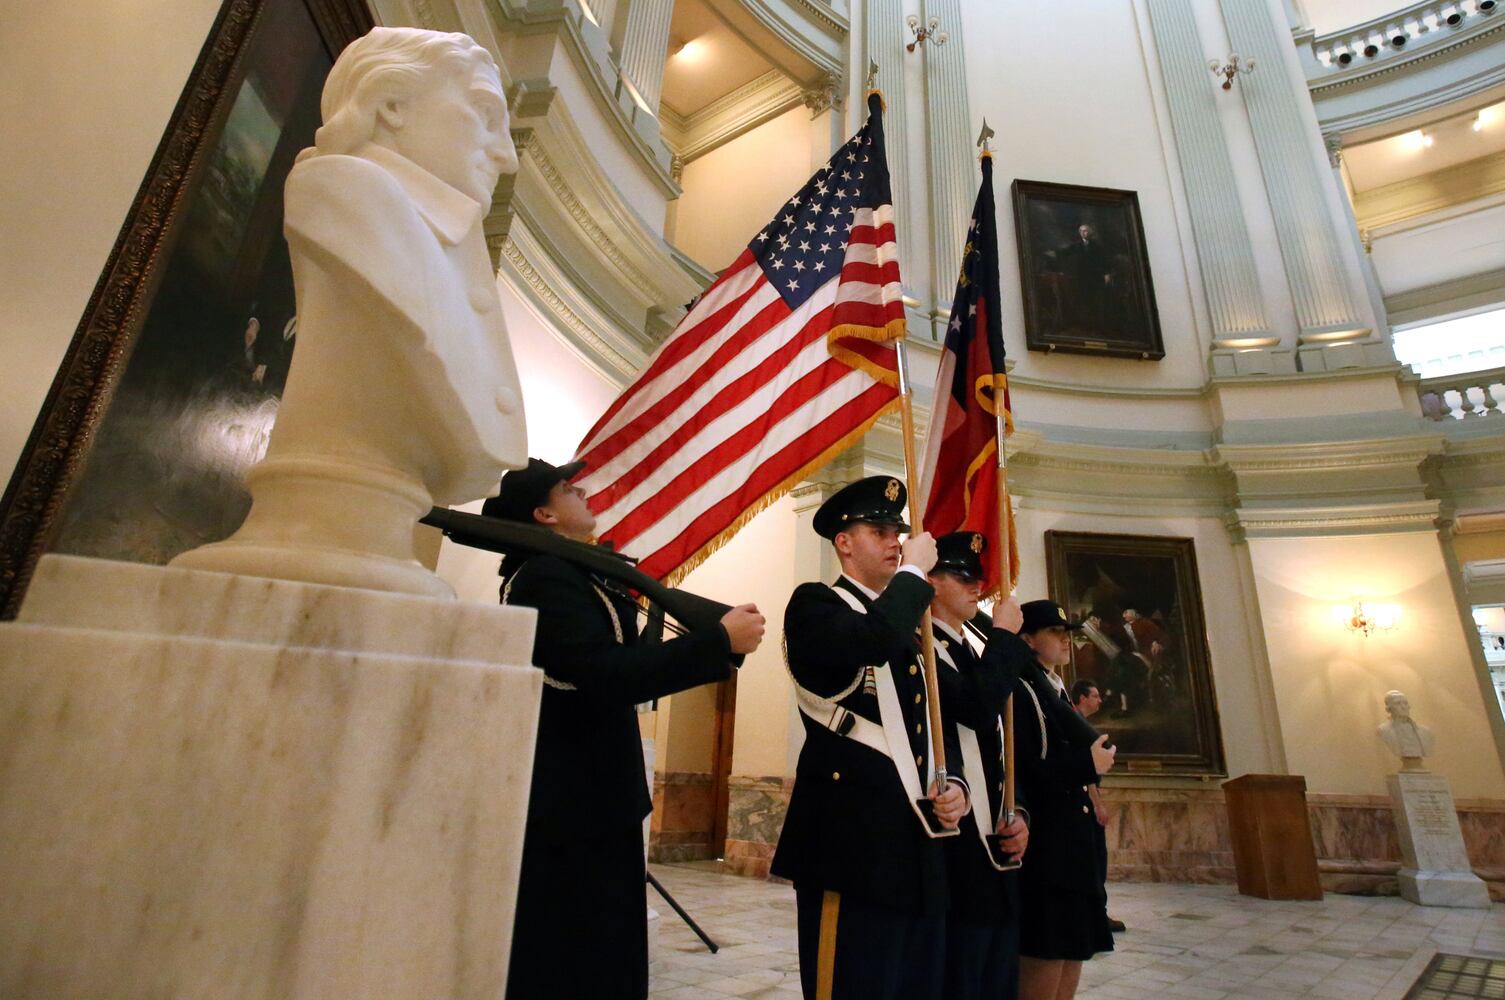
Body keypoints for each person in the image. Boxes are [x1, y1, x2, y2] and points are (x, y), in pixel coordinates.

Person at [492, 457, 766, 999]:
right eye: (570, 489)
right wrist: (715, 642)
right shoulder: (546, 577)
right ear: (544, 514)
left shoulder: (570, 572)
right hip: (573, 803)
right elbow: (602, 674)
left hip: (590, 800)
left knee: (601, 955)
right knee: (576, 960)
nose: (585, 492)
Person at [772, 475, 969, 1000]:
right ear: (843, 541)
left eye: (897, 532)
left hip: (916, 845)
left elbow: (942, 722)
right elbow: (868, 640)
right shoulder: (816, 605)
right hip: (850, 847)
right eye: (879, 530)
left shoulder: (907, 625)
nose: (894, 541)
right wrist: (912, 573)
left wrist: (956, 788)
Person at [928, 532, 1032, 1000]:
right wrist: (1006, 636)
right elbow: (977, 706)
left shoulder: (972, 650)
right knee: (961, 977)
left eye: (978, 577)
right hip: (956, 841)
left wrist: (1020, 812)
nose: (977, 586)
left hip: (994, 838)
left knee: (997, 978)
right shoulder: (921, 651)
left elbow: (1003, 752)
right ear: (929, 581)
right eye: (962, 576)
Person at [1014, 601, 1117, 1000]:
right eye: (1056, 633)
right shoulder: (1023, 689)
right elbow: (1024, 767)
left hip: (1074, 841)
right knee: (1047, 949)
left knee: (1075, 947)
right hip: (1047, 839)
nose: (1066, 641)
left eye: (1067, 633)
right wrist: (1083, 765)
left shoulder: (1053, 688)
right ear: (1027, 639)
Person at [1069, 679, 1125, 935]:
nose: (1099, 700)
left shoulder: (1080, 722)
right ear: (1081, 698)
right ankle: (1095, 915)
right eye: (1094, 695)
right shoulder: (1072, 721)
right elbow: (1085, 771)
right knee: (1093, 860)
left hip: (1085, 800)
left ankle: (1096, 913)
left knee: (1096, 860)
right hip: (1080, 803)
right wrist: (1097, 803)